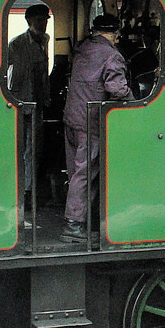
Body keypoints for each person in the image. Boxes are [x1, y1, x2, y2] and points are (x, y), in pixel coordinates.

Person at [62, 14, 133, 242]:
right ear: (114, 34)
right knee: (84, 174)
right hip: (90, 123)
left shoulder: (82, 49)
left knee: (77, 173)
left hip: (72, 118)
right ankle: (73, 226)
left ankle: (84, 221)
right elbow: (118, 89)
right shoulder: (111, 55)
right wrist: (138, 105)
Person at [6, 2, 51, 212]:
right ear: (29, 21)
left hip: (39, 103)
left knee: (36, 150)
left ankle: (30, 189)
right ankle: (23, 191)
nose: (43, 24)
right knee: (23, 149)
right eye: (39, 20)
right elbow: (10, 74)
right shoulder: (16, 45)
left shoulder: (45, 40)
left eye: (45, 20)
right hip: (21, 102)